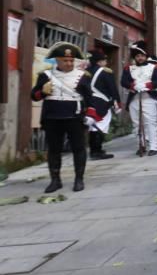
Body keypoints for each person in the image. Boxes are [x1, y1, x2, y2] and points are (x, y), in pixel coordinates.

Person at [31, 43, 94, 192]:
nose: (69, 63)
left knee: (79, 148)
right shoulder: (45, 76)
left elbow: (90, 98)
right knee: (54, 149)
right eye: (65, 61)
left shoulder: (82, 76)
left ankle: (79, 179)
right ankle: (55, 180)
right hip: (52, 117)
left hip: (74, 117)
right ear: (57, 61)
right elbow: (34, 96)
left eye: (71, 60)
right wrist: (43, 92)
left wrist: (91, 115)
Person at [121, 41, 157, 156]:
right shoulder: (128, 69)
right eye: (138, 56)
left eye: (142, 56)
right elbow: (123, 82)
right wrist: (133, 86)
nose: (140, 58)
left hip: (148, 97)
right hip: (134, 98)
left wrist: (147, 86)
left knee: (150, 122)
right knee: (137, 123)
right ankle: (141, 144)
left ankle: (154, 146)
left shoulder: (154, 67)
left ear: (146, 56)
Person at [85, 48, 120, 160]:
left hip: (89, 102)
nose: (106, 62)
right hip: (102, 103)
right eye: (104, 60)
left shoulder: (86, 71)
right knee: (101, 126)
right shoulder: (105, 72)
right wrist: (117, 102)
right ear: (99, 61)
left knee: (92, 127)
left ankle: (94, 151)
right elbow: (112, 89)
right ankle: (97, 151)